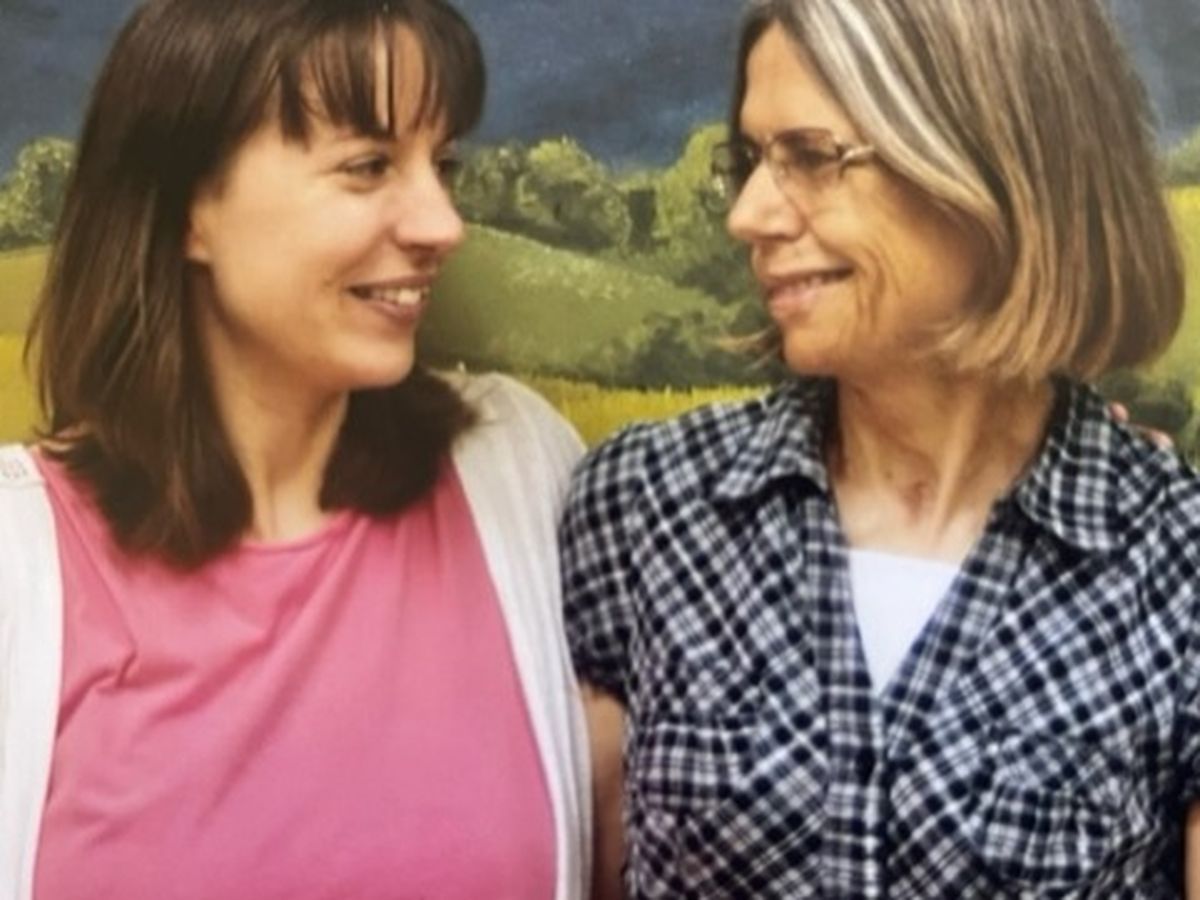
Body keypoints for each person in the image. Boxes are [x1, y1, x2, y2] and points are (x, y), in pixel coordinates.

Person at [562, 0, 1200, 895]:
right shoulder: (645, 503)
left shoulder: (1172, 563)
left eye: (812, 156)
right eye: (748, 161)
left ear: (990, 163)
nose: (748, 214)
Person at [0, 1, 591, 898]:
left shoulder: (518, 471)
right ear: (190, 207)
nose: (443, 224)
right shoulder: (20, 566)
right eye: (368, 166)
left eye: (443, 165)